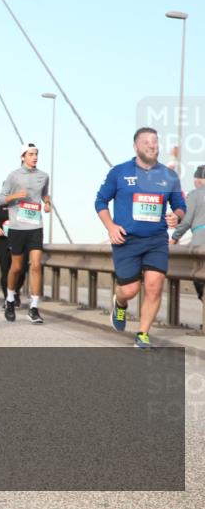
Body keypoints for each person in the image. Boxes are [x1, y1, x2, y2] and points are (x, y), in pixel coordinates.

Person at [96, 128, 186, 349]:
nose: (152, 145)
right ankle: (119, 302)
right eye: (146, 142)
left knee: (154, 286)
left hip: (156, 240)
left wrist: (176, 216)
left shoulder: (169, 176)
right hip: (126, 239)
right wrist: (110, 227)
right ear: (136, 146)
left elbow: (180, 206)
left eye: (155, 141)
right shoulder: (119, 172)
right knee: (130, 290)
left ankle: (143, 334)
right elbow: (100, 202)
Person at [0, 143, 51, 324]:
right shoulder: (13, 176)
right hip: (17, 228)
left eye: (36, 154)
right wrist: (15, 196)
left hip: (35, 226)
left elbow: (44, 194)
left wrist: (47, 202)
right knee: (17, 268)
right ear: (23, 156)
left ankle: (34, 307)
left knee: (36, 265)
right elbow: (0, 199)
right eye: (31, 154)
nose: (34, 157)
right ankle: (10, 299)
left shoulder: (43, 176)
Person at [171, 164, 205, 301]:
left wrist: (174, 238)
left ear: (198, 180)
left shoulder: (195, 195)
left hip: (200, 243)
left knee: (199, 276)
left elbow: (185, 221)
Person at [0, 201, 29, 305]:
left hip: (20, 242)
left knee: (22, 270)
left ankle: (15, 292)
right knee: (6, 271)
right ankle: (8, 298)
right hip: (3, 243)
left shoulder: (23, 205)